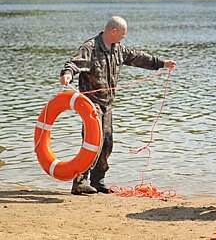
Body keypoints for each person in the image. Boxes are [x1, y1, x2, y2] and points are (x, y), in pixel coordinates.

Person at [59, 16, 176, 195]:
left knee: (107, 142)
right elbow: (74, 63)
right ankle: (80, 181)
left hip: (107, 104)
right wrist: (67, 74)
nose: (124, 37)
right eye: (123, 33)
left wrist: (162, 64)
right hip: (91, 104)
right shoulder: (90, 47)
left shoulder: (119, 50)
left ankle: (98, 181)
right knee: (93, 142)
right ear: (113, 31)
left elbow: (139, 57)